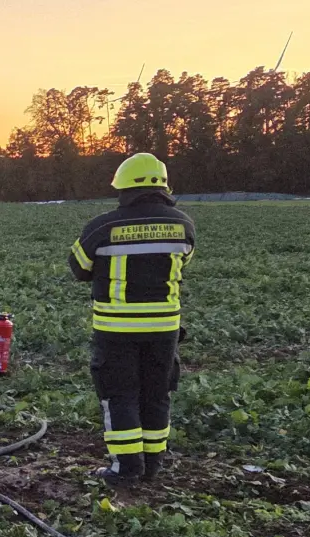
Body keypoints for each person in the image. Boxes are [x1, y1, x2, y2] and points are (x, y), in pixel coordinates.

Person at [67, 152, 195, 486]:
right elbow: (184, 263)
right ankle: (152, 465)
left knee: (119, 395)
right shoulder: (183, 225)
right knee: (156, 394)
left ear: (123, 188)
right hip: (164, 330)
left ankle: (125, 469)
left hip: (117, 330)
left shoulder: (104, 226)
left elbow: (78, 267)